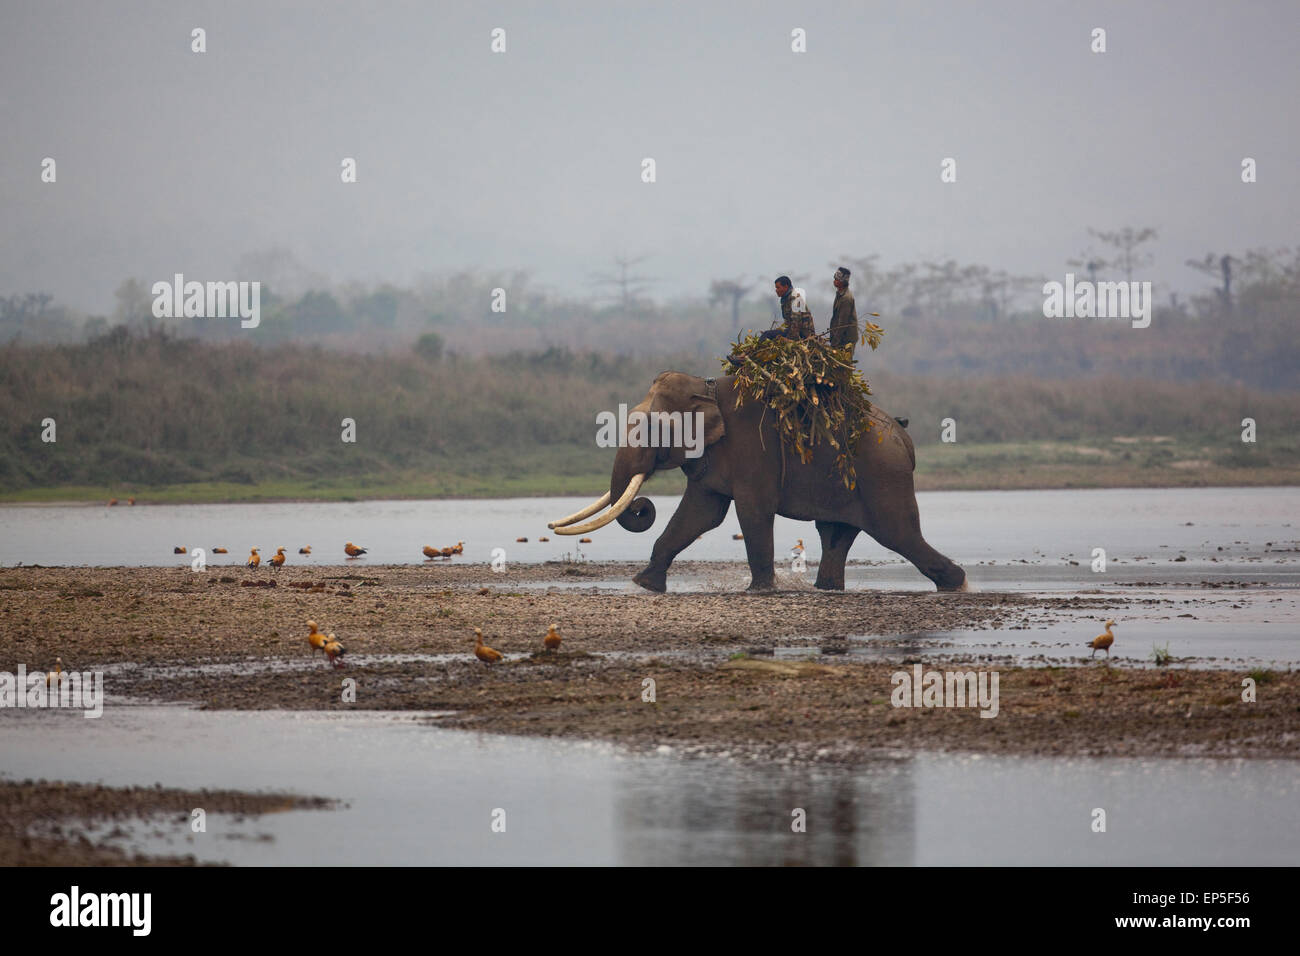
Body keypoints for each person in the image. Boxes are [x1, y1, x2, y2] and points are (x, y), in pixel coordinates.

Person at [829, 266, 859, 359]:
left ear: (842, 282)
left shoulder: (846, 298)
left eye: (836, 279)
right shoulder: (840, 294)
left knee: (843, 365)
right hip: (840, 338)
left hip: (846, 340)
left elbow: (843, 323)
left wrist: (835, 343)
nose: (834, 281)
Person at [774, 275, 815, 340]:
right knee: (772, 334)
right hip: (794, 332)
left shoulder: (795, 299)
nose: (776, 290)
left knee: (768, 334)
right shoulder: (786, 299)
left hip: (804, 335)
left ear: (786, 287)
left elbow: (796, 322)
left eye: (778, 288)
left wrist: (789, 339)